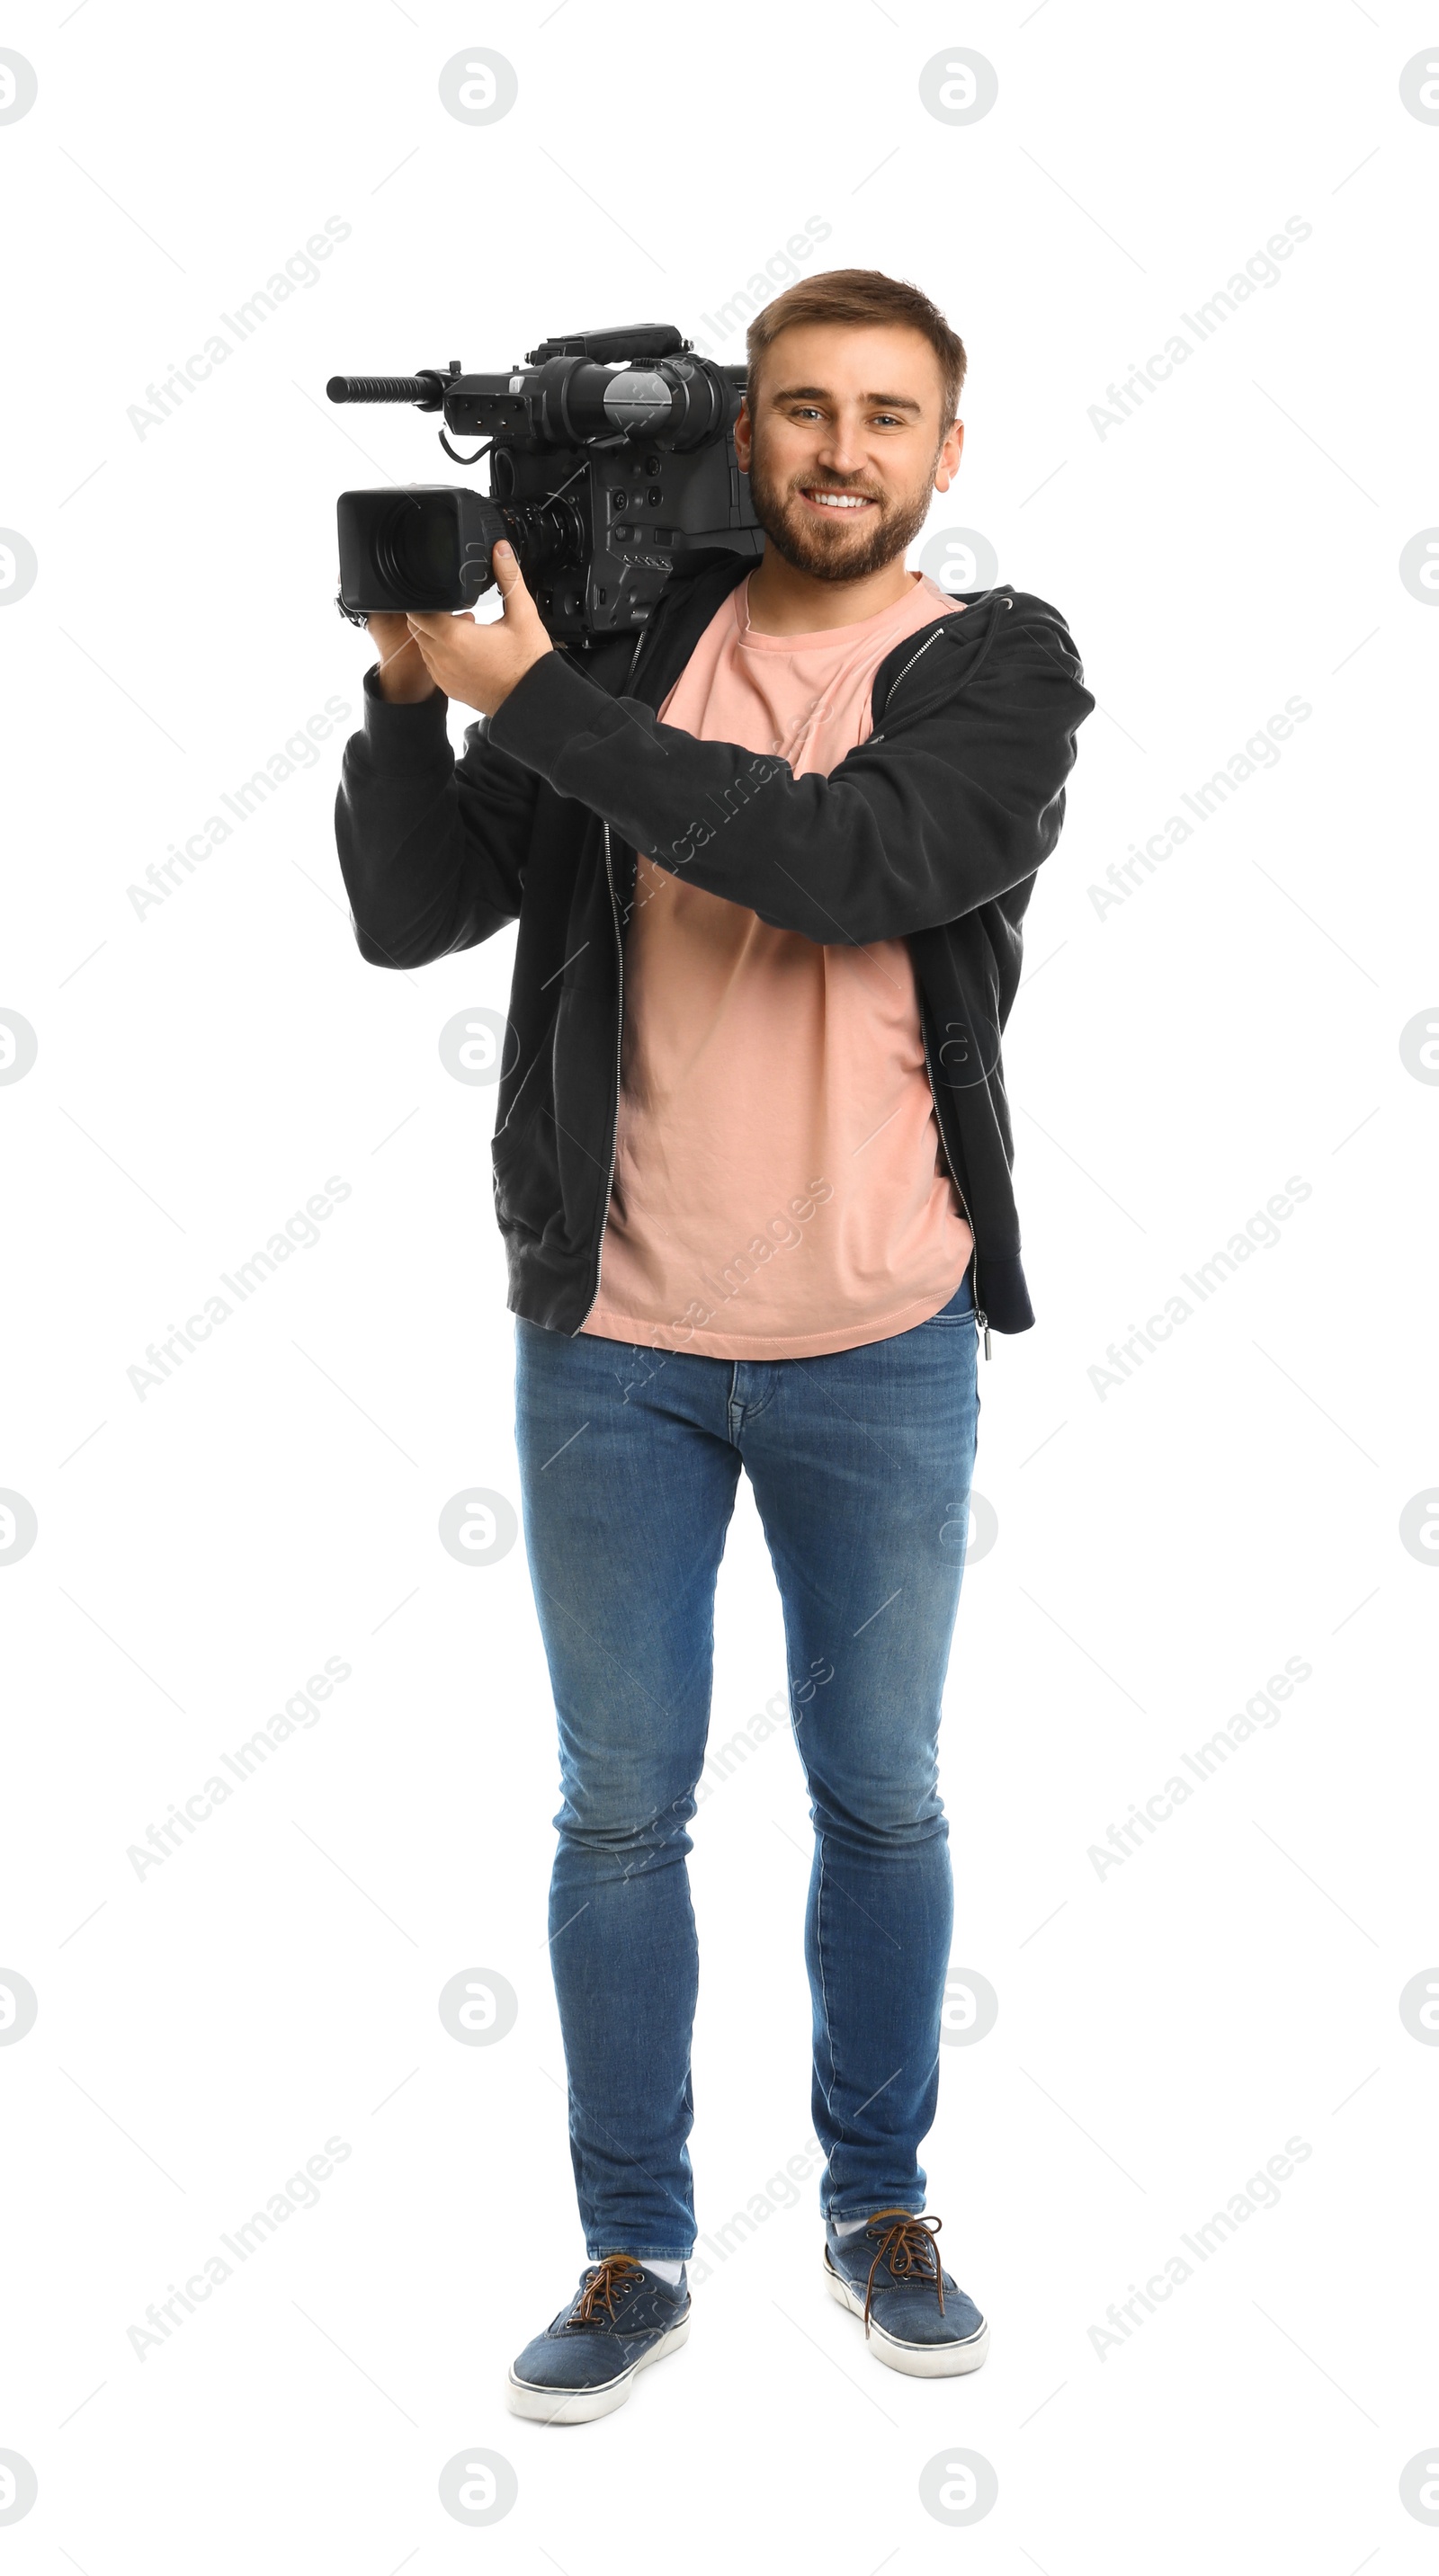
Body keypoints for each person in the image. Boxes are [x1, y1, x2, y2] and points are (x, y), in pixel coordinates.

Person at [335, 267, 1095, 2426]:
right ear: (738, 442)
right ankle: (632, 2240)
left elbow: (851, 864)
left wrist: (538, 699)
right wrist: (415, 697)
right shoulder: (626, 644)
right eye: (796, 412)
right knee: (616, 1816)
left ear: (945, 450)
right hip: (616, 1347)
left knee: (877, 1797)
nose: (836, 448)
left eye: (883, 414)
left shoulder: (995, 667)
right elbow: (411, 913)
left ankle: (877, 2205)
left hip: (879, 1336)